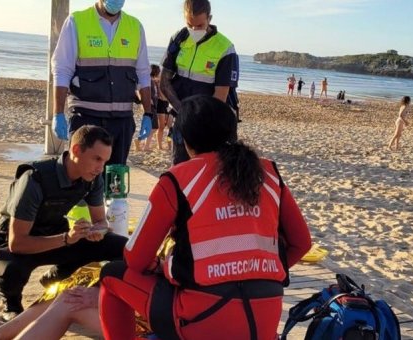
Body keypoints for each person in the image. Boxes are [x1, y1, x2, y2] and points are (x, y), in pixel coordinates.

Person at [96, 95, 312, 339]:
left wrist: (166, 266)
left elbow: (135, 260)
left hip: (203, 319)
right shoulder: (268, 174)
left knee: (112, 274)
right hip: (264, 318)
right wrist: (257, 270)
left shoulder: (178, 179)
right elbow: (302, 244)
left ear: (185, 141)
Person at [0, 125, 129, 321]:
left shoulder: (92, 178)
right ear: (76, 150)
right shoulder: (34, 179)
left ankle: (55, 278)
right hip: (17, 240)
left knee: (120, 246)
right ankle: (11, 304)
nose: (100, 168)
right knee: (10, 270)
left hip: (56, 231)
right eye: (97, 159)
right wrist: (66, 239)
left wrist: (97, 231)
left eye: (105, 161)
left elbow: (100, 221)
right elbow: (17, 242)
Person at [51, 0, 151, 167]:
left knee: (114, 185)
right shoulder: (77, 22)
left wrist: (148, 113)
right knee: (82, 181)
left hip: (122, 122)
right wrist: (57, 113)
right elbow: (62, 70)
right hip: (86, 119)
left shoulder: (135, 27)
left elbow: (143, 74)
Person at [160, 0, 240, 165]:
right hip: (182, 119)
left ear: (209, 18)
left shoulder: (225, 48)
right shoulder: (178, 39)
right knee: (181, 171)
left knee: (210, 174)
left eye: (200, 25)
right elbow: (164, 82)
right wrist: (184, 113)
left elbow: (220, 97)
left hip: (211, 122)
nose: (194, 29)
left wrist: (199, 123)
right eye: (190, 24)